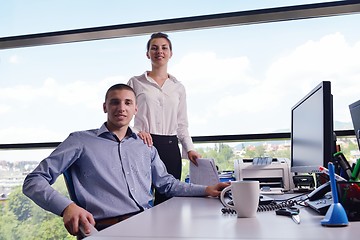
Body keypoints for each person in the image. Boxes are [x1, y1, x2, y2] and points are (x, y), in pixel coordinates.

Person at [22, 83, 228, 237]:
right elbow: (33, 181)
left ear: (135, 110)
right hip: (102, 230)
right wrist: (66, 207)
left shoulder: (145, 146)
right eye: (115, 102)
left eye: (128, 102)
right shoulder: (80, 141)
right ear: (105, 107)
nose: (121, 107)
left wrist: (206, 190)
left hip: (149, 226)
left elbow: (167, 184)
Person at [128, 32, 201, 205]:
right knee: (140, 199)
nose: (159, 51)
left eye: (164, 47)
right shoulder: (135, 82)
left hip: (170, 147)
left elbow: (182, 124)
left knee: (168, 202)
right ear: (148, 54)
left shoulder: (178, 87)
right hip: (143, 145)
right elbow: (126, 115)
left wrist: (190, 149)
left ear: (170, 53)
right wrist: (137, 133)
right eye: (154, 48)